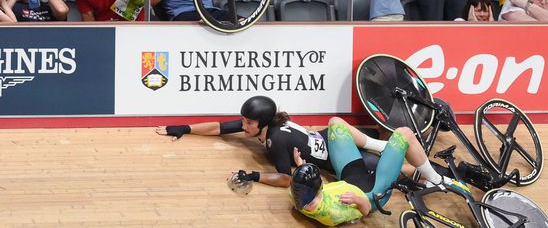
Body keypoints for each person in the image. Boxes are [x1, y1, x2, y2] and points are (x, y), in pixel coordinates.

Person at [156, 95, 425, 187]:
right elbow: (219, 127)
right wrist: (184, 128)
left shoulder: (274, 141)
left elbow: (285, 178)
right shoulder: (267, 122)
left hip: (340, 160)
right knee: (385, 152)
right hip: (327, 138)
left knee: (400, 173)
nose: (242, 125)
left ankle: (439, 176)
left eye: (248, 123)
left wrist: (252, 176)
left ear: (261, 123)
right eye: (244, 121)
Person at [289, 117, 453, 226]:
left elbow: (306, 190)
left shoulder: (296, 198)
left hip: (349, 179)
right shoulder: (333, 213)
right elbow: (365, 210)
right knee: (405, 134)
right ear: (319, 187)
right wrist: (357, 199)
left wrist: (301, 168)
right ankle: (438, 180)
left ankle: (381, 146)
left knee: (335, 124)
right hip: (372, 192)